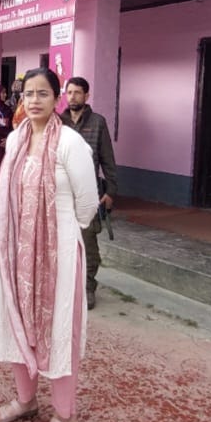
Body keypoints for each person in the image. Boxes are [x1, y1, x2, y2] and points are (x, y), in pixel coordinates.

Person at [0, 67, 98, 422]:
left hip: (60, 255)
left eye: (42, 94)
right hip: (16, 252)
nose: (34, 101)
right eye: (28, 94)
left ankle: (64, 417)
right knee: (18, 324)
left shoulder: (70, 143)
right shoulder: (17, 140)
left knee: (58, 330)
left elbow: (87, 206)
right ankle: (26, 401)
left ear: (56, 99)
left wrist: (54, 237)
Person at [60, 76, 118, 310]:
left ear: (86, 95)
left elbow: (108, 160)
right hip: (62, 193)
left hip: (88, 194)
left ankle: (87, 287)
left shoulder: (97, 122)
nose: (72, 96)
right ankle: (64, 287)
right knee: (62, 242)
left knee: (88, 244)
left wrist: (111, 190)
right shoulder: (57, 122)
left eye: (77, 92)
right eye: (69, 92)